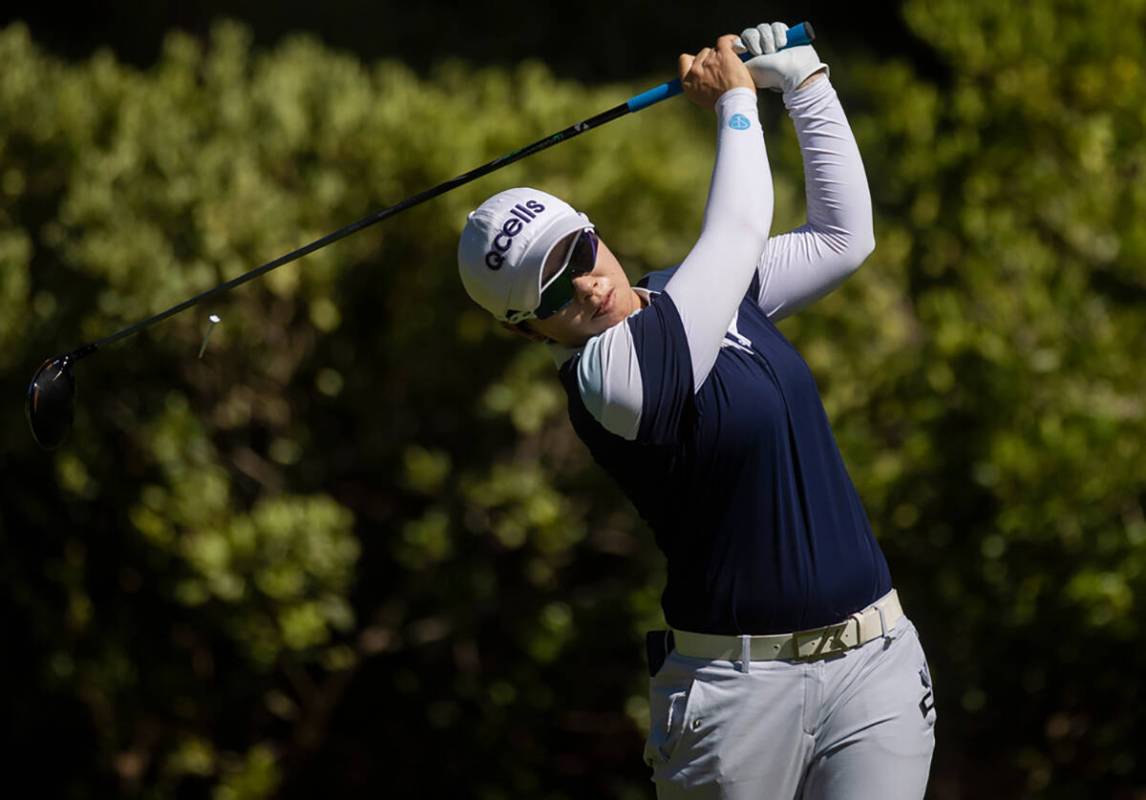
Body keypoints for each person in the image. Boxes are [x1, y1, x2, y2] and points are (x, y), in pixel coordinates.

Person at [456, 21, 936, 800]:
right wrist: (736, 104)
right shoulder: (612, 379)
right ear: (525, 329)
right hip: (737, 698)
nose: (583, 284)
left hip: (874, 665)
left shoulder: (695, 293)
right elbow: (740, 226)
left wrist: (807, 85)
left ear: (593, 233)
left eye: (577, 253)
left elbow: (842, 238)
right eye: (548, 291)